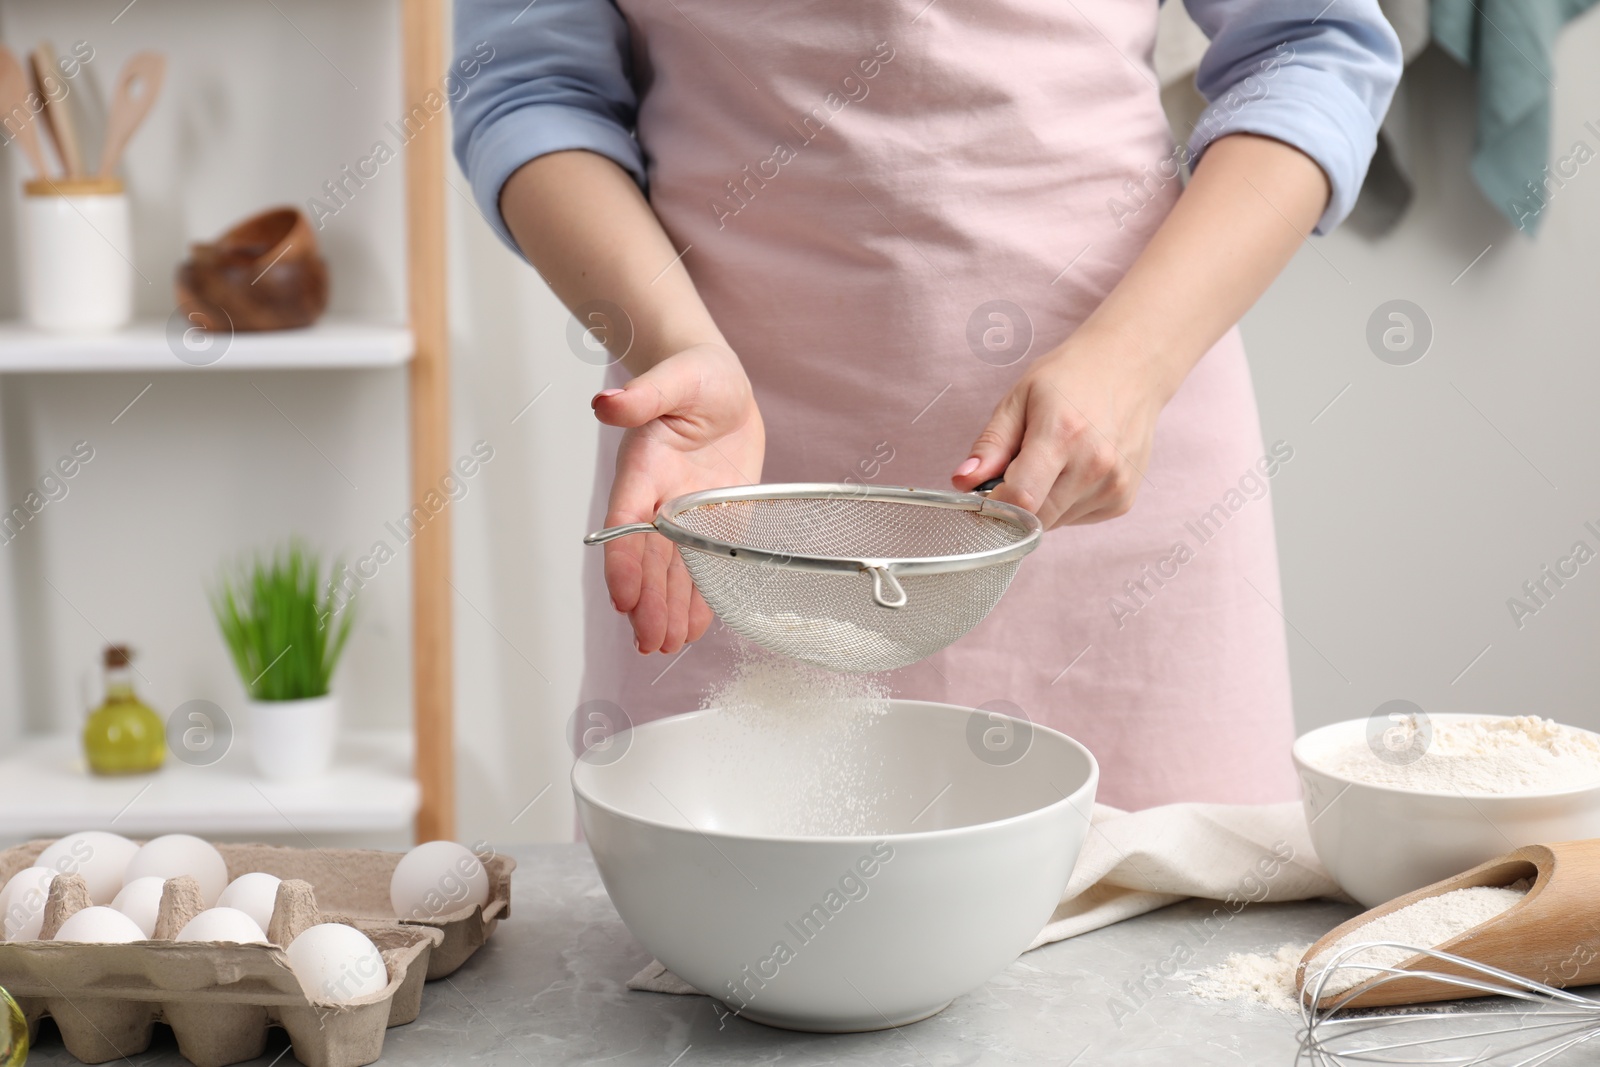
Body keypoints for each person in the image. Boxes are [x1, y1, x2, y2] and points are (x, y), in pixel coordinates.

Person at [452, 0, 1402, 808]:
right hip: (733, 506)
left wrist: (1136, 363)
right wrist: (670, 343)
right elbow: (531, 87)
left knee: (1178, 978)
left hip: (1114, 470)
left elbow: (1311, 41)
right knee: (723, 979)